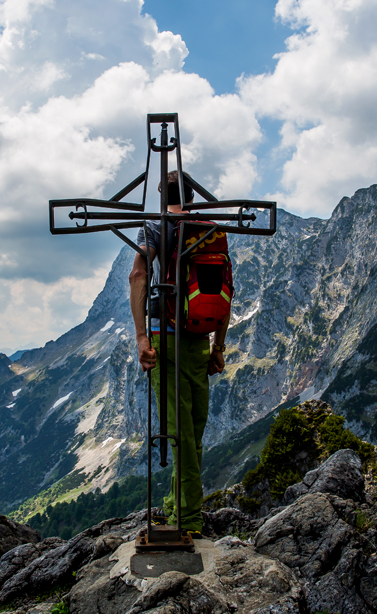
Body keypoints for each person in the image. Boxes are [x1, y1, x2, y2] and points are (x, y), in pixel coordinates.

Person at [129, 170, 228, 536]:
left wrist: (142, 338)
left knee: (179, 434)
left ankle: (187, 520)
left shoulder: (156, 225)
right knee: (194, 432)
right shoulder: (210, 228)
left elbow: (138, 276)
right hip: (198, 338)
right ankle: (175, 506)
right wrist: (217, 346)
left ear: (160, 194)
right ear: (191, 194)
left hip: (164, 339)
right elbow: (224, 290)